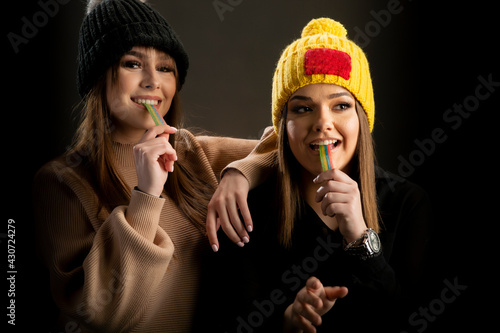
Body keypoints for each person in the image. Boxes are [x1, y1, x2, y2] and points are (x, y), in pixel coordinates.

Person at [32, 0, 271, 331]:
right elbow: (104, 314)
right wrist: (145, 195)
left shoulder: (193, 154)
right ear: (98, 75)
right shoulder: (61, 183)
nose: (152, 82)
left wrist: (238, 174)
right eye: (132, 64)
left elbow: (284, 144)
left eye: (165, 68)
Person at [203, 18, 432, 332]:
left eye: (340, 105)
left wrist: (360, 237)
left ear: (362, 119)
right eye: (302, 108)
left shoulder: (409, 203)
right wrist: (286, 322)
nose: (323, 122)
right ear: (283, 126)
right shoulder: (247, 213)